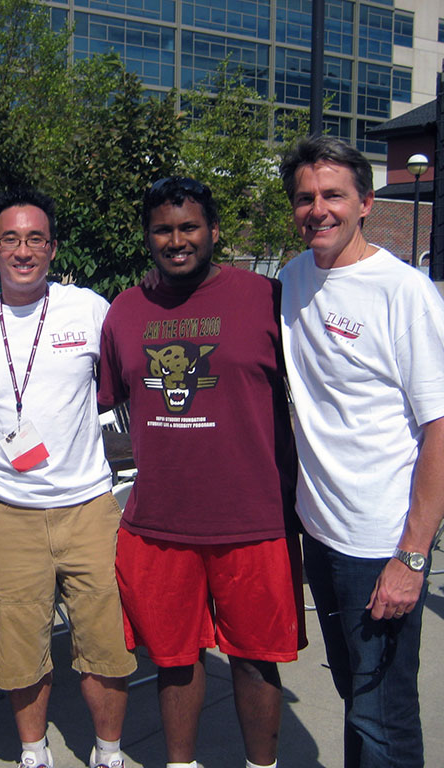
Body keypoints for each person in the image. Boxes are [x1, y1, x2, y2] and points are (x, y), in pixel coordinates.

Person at [98, 177, 305, 768]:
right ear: (148, 238)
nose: (177, 240)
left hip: (253, 517)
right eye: (163, 230)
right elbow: (109, 405)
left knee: (255, 657)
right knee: (174, 658)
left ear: (213, 231)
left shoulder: (268, 299)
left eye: (189, 227)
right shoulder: (126, 312)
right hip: (160, 521)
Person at [0, 188, 136, 768]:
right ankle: (35, 752)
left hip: (89, 507)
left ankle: (108, 751)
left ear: (52, 248)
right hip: (8, 512)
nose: (23, 250)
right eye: (10, 239)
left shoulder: (89, 309)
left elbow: (129, 389)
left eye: (35, 238)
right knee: (16, 641)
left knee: (105, 641)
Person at [278, 136, 444, 768]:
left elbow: (439, 429)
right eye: (305, 197)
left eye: (333, 195)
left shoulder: (404, 293)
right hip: (321, 534)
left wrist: (412, 556)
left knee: (384, 717)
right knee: (356, 697)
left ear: (367, 202)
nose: (318, 209)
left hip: (381, 543)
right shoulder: (292, 279)